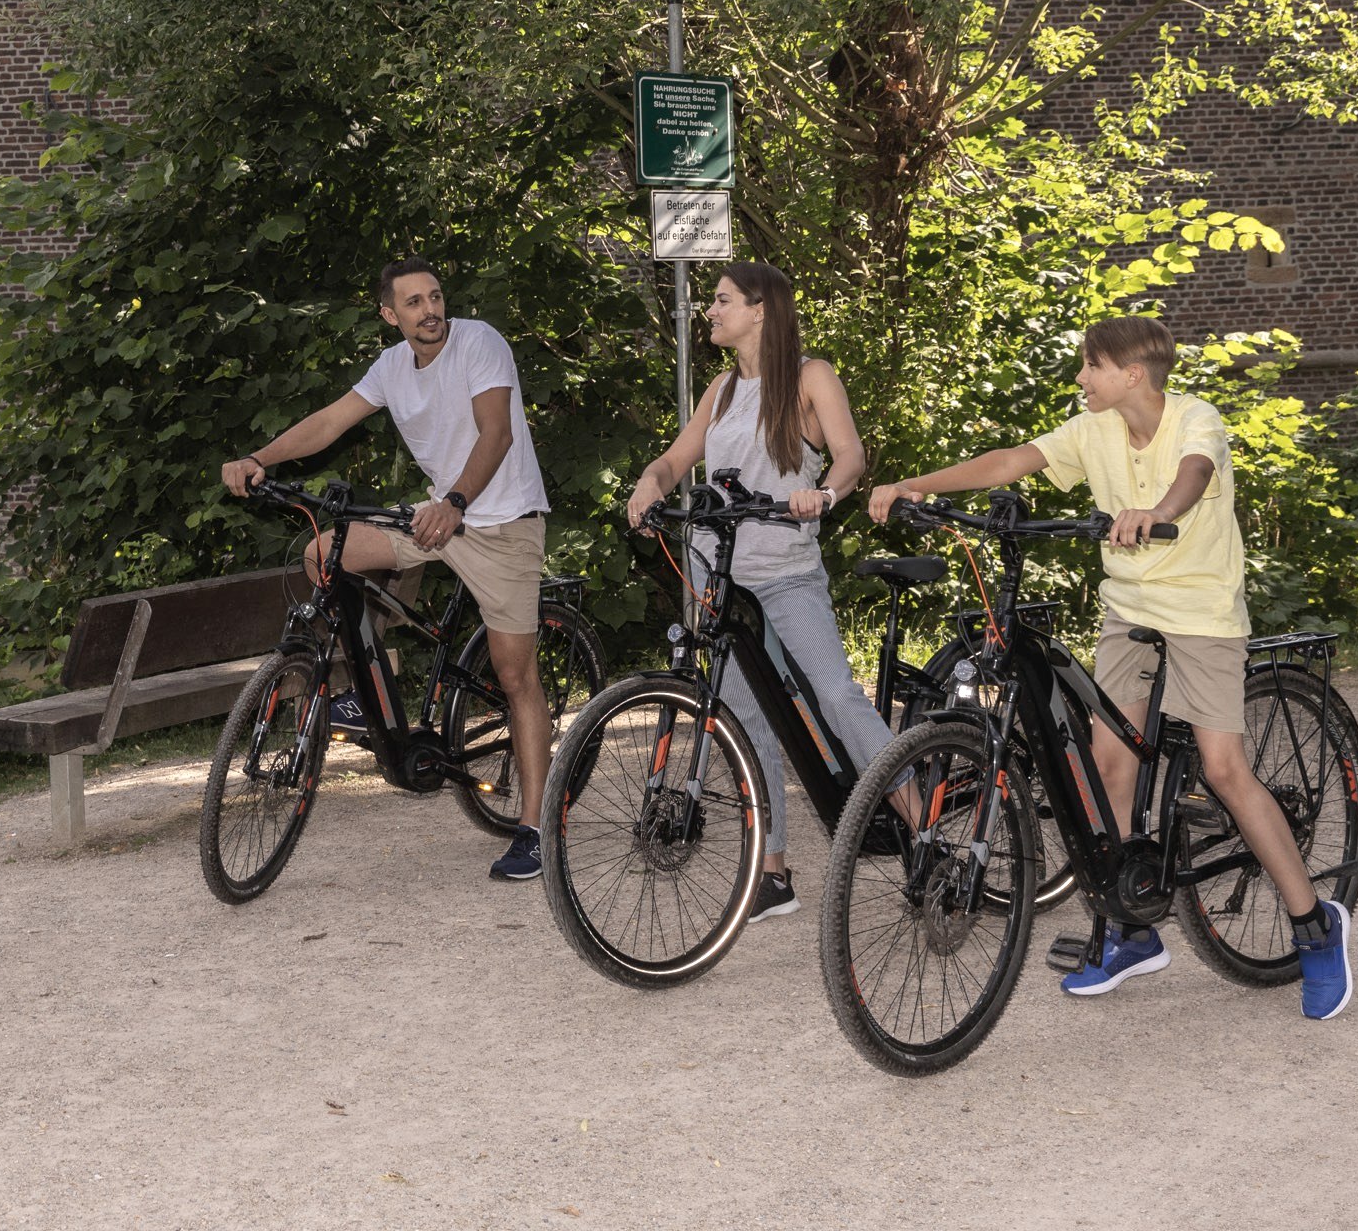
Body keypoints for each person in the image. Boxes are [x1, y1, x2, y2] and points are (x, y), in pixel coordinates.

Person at [866, 314, 1353, 1019]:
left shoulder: (1195, 419)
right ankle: (1132, 928)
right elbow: (1011, 461)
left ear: (1131, 374)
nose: (1080, 377)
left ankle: (1315, 925)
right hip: (1130, 609)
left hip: (1201, 611)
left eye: (1091, 365)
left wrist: (1156, 511)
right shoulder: (1092, 428)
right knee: (1108, 765)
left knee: (1223, 769)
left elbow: (1194, 475)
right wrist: (918, 484)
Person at [222, 257, 555, 882]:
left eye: (435, 297)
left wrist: (455, 503)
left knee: (516, 677)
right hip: (436, 517)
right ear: (389, 314)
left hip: (502, 523)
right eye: (414, 302)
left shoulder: (479, 343)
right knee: (325, 553)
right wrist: (259, 458)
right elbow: (329, 422)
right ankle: (365, 690)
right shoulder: (391, 367)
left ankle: (536, 830)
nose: (430, 311)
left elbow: (497, 434)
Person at [621, 261, 884, 920]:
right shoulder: (722, 390)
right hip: (721, 577)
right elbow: (674, 460)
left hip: (785, 572)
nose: (710, 310)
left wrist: (823, 494)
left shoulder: (810, 377)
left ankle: (918, 814)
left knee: (834, 695)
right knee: (746, 720)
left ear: (761, 309)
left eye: (722, 300)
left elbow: (851, 457)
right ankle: (773, 872)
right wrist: (649, 483)